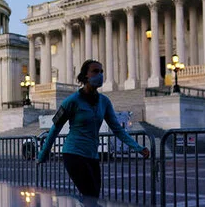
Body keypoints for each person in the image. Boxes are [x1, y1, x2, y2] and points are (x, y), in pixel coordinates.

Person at [36, 59, 150, 198]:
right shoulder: (71, 101)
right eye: (95, 71)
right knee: (90, 194)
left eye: (101, 71)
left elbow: (118, 130)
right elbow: (55, 129)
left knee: (93, 196)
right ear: (85, 76)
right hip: (73, 153)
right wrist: (43, 154)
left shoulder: (105, 101)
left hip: (92, 155)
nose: (100, 75)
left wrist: (138, 148)